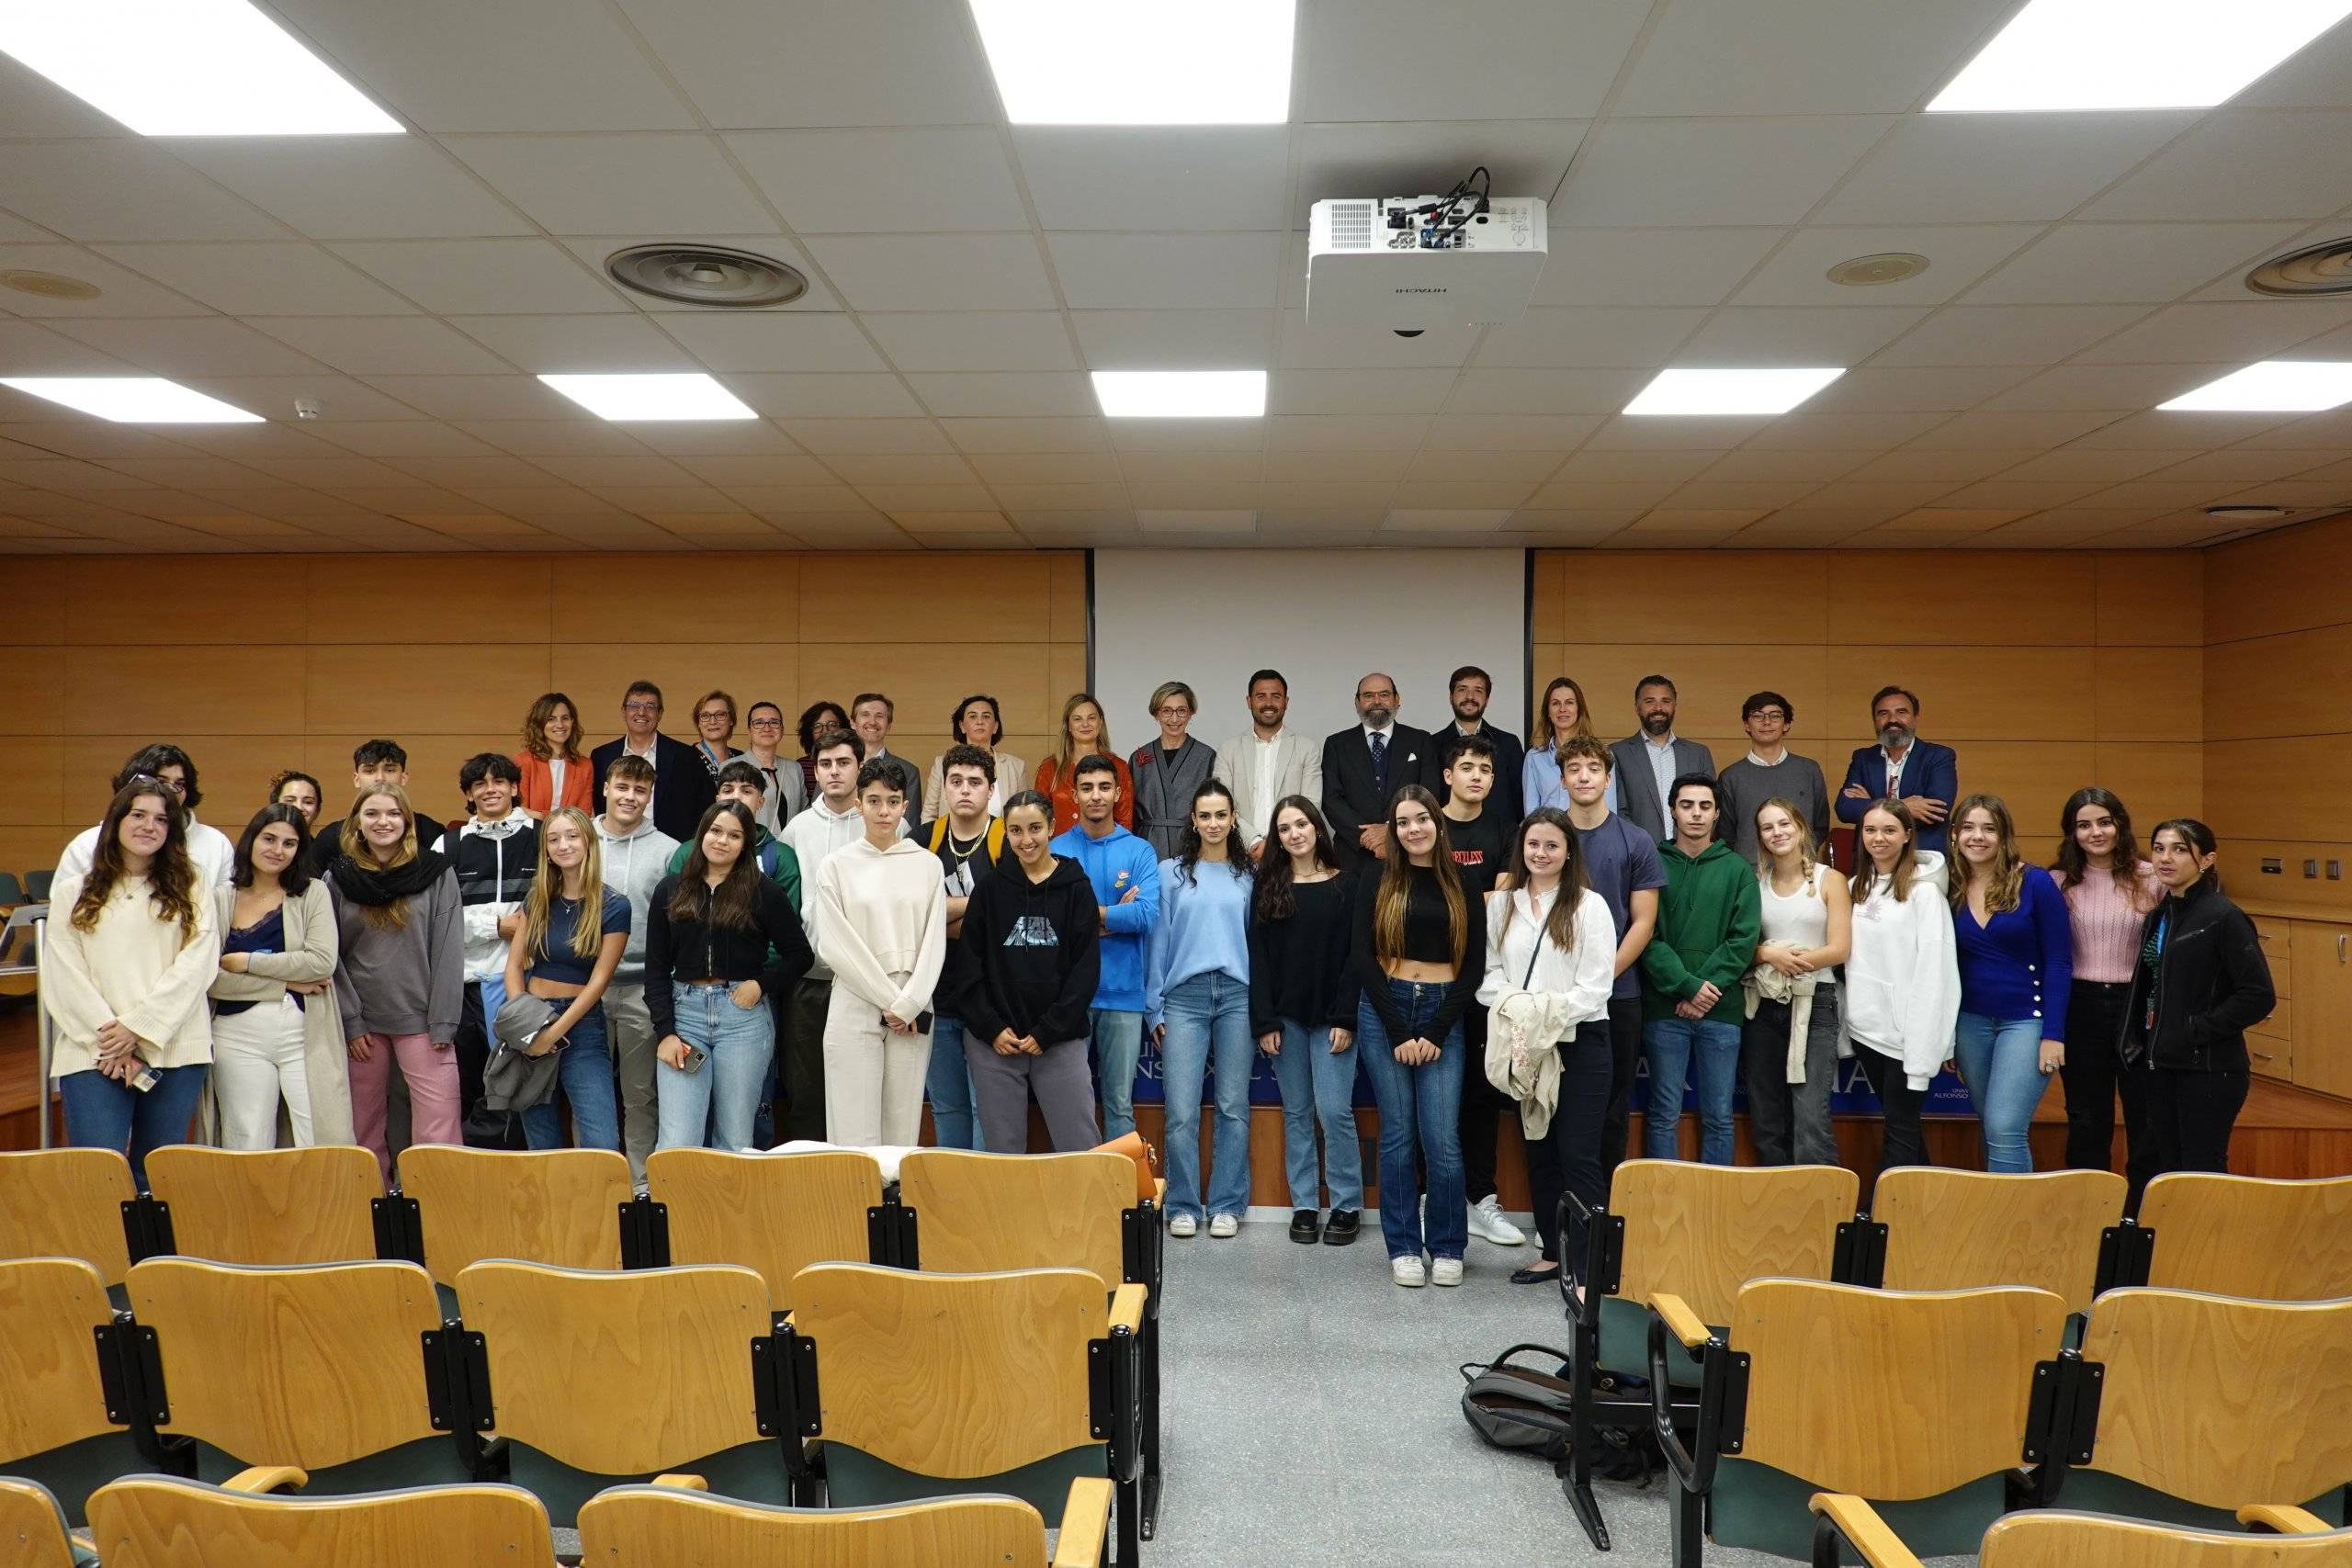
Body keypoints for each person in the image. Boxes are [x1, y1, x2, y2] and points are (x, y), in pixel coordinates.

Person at [43, 778, 220, 1188]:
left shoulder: (192, 885)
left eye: (161, 819)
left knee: (156, 1178)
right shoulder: (74, 891)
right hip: (93, 1051)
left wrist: (137, 1029)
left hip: (174, 1049)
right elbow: (64, 972)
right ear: (115, 821)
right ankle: (99, 1255)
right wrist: (110, 1039)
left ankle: (155, 1255)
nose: (149, 826)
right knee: (97, 1173)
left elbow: (197, 965)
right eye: (138, 815)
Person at [1353, 785, 1485, 1288]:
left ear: (1437, 823)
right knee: (1398, 1137)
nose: (1413, 829)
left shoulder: (1463, 881)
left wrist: (1432, 1030)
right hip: (1385, 1009)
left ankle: (1448, 1245)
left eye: (1422, 819)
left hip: (1442, 1014)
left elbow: (1472, 967)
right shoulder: (1377, 876)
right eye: (1403, 821)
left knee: (1442, 1139)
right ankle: (1405, 1246)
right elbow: (1362, 958)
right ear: (1393, 829)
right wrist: (1397, 1029)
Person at [1478, 807, 1615, 1287]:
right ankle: (1553, 1252)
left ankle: (1588, 1266)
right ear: (1522, 849)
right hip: (1525, 1044)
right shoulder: (1501, 905)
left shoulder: (1589, 906)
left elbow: (1596, 988)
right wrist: (1523, 1012)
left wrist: (1539, 1013)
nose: (1541, 853)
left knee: (1578, 1154)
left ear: (1568, 852)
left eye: (1551, 845)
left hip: (1580, 1043)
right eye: (1533, 844)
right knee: (1539, 1150)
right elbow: (1490, 976)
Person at [1542, 739, 1663, 1258]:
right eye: (1575, 768)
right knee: (1546, 1115)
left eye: (1594, 768)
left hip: (1618, 996)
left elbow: (1643, 922)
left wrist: (1597, 980)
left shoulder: (1634, 839)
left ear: (1608, 778)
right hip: (1547, 1003)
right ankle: (1557, 1235)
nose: (1585, 776)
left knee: (1609, 1115)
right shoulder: (1544, 838)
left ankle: (1605, 1232)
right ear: (1562, 778)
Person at [647, 801, 812, 1152]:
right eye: (716, 831)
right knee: (678, 1140)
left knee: (735, 1138)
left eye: (734, 835)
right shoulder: (671, 889)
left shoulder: (764, 891)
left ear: (746, 844)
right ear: (702, 834)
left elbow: (800, 955)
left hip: (743, 1021)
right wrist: (665, 1032)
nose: (722, 841)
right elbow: (656, 968)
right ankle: (677, 1208)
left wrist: (761, 984)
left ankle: (728, 1210)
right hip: (685, 1018)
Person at [946, 789, 1103, 1154]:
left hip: (1059, 1039)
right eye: (1016, 831)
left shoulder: (1077, 889)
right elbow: (968, 967)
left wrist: (1049, 1030)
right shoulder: (989, 890)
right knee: (1003, 1151)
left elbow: (1085, 971)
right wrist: (990, 1028)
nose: (1026, 839)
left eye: (1035, 828)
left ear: (1052, 827)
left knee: (1079, 1146)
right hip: (995, 1044)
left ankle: (1080, 1214)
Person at [2121, 819, 2275, 1187]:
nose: (2166, 858)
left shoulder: (2223, 916)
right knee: (2165, 1168)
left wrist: (2193, 1030)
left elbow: (2258, 995)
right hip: (2161, 1065)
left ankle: (2211, 1246)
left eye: (2179, 849)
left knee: (2200, 1172)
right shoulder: (2160, 915)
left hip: (2207, 1068)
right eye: (2159, 848)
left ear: (2206, 860)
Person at [326, 784, 463, 1184]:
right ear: (357, 823)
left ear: (407, 821)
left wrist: (443, 1020)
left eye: (392, 813)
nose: (382, 822)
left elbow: (449, 950)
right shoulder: (339, 877)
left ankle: (437, 1208)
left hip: (424, 1022)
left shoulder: (436, 873)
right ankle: (372, 1208)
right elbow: (329, 955)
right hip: (362, 1027)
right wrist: (350, 1021)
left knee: (439, 1128)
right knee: (362, 1127)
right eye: (371, 814)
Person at [811, 758, 947, 1147]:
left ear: (905, 806)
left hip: (914, 998)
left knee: (901, 1125)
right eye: (874, 801)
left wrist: (909, 1004)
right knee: (852, 1124)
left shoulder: (927, 865)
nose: (883, 811)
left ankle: (895, 1206)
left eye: (892, 801)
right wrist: (893, 1004)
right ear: (859, 804)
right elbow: (835, 945)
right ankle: (854, 1208)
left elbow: (933, 943)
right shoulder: (836, 866)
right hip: (856, 997)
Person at [1143, 779, 1254, 1239]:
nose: (1213, 823)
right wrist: (1156, 1008)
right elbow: (1159, 943)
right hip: (1184, 999)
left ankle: (1227, 1204)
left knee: (1232, 1106)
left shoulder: (1248, 876)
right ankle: (1184, 1205)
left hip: (1238, 997)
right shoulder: (1171, 874)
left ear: (1233, 820)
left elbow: (1257, 946)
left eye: (1221, 815)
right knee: (1182, 1111)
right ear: (1193, 820)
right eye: (1204, 815)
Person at [1250, 796, 1362, 1247]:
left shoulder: (1347, 885)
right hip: (1285, 1020)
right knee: (1297, 1113)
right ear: (1277, 839)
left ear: (1317, 827)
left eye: (1302, 824)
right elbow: (1258, 958)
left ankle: (1347, 1204)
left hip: (1333, 1019)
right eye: (1284, 828)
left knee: (1334, 1112)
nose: (1295, 833)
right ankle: (1305, 1205)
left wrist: (1345, 1016)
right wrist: (1265, 1021)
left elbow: (1357, 958)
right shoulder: (1269, 886)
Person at [778, 728, 899, 1142]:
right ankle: (812, 1182)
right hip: (811, 979)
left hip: (870, 984)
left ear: (860, 767)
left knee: (865, 1089)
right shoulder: (796, 829)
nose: (834, 772)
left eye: (843, 763)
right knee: (807, 1088)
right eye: (825, 764)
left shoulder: (882, 826)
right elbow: (788, 905)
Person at [208, 805, 352, 1151]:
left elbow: (319, 963)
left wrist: (247, 961)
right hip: (235, 1035)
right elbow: (210, 978)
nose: (277, 850)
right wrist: (285, 981)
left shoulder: (312, 892)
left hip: (304, 1031)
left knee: (320, 1137)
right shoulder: (220, 898)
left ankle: (321, 1208)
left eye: (289, 843)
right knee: (247, 1139)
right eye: (269, 839)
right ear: (251, 840)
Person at [1639, 774, 1759, 1167]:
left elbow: (1743, 940)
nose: (1695, 814)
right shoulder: (1651, 863)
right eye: (1687, 805)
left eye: (1704, 806)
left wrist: (1703, 991)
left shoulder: (1739, 870)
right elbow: (1646, 935)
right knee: (1662, 1113)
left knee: (1720, 1117)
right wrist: (1687, 986)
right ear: (1673, 810)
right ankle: (1664, 1202)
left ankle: (1713, 1209)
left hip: (1721, 1011)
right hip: (1664, 1008)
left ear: (1717, 813)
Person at [1949, 793, 2072, 1174]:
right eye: (1968, 828)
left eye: (1989, 828)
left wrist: (2054, 1034)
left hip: (2026, 1022)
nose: (1977, 837)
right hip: (1970, 1022)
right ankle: (1997, 1219)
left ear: (2004, 836)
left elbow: (2059, 962)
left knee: (2005, 1127)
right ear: (1953, 835)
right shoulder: (1948, 886)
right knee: (1990, 1125)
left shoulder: (2035, 883)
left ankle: (2015, 1230)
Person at [1438, 734, 1524, 1249]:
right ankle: (1434, 1198)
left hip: (1488, 980)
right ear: (1447, 775)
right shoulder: (1428, 822)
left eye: (1485, 770)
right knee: (1432, 1093)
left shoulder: (1504, 829)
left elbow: (1503, 901)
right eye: (1466, 767)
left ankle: (1481, 1200)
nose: (1476, 776)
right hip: (1431, 978)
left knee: (1482, 1092)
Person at [2053, 787, 2164, 1193]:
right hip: (2079, 1008)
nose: (2095, 832)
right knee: (2086, 1118)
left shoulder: (2152, 878)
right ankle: (2089, 1208)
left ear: (2120, 825)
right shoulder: (2057, 882)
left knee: (2145, 1116)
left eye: (2104, 822)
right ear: (2072, 832)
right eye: (2084, 825)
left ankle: (2142, 1211)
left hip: (2136, 1008)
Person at [503, 807, 628, 1151]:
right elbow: (514, 967)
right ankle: (551, 1207)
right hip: (532, 1017)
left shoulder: (614, 905)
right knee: (541, 1140)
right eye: (554, 838)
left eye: (572, 836)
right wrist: (527, 1026)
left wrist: (553, 1033)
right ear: (545, 848)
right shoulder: (537, 898)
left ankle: (599, 1206)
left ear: (588, 841)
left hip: (582, 1026)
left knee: (601, 1138)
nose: (563, 845)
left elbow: (599, 982)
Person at [1843, 799, 1958, 1175]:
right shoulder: (1855, 887)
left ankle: (1888, 1221)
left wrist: (1925, 1048)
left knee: (1900, 1128)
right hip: (1866, 1031)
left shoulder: (1926, 895)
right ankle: (1925, 1210)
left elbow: (1935, 976)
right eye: (1871, 830)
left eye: (1889, 830)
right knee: (1901, 1125)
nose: (1879, 838)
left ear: (1908, 835)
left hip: (1908, 1038)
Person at [1050, 753, 1160, 1140]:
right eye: (1086, 788)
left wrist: (1085, 916)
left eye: (1103, 787)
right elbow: (1051, 923)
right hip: (1068, 997)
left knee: (1119, 1104)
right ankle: (1074, 1196)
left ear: (1118, 793)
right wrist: (1114, 915)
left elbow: (1146, 916)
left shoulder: (1140, 851)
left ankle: (1117, 1200)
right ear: (1073, 795)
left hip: (1124, 995)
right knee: (1069, 1105)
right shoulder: (1055, 850)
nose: (1095, 796)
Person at [1739, 799, 1851, 1167]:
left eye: (1784, 823)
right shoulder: (1754, 884)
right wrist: (1769, 955)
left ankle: (1822, 1211)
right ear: (1760, 837)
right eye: (1768, 827)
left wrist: (1793, 961)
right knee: (1766, 1114)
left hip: (1814, 1002)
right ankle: (1776, 1208)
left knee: (1809, 1116)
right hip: (1763, 1004)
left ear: (1800, 827)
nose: (1778, 832)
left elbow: (1839, 949)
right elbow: (1743, 948)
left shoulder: (1829, 880)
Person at [594, 753, 677, 1184]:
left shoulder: (668, 851)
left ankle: (641, 1180)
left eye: (639, 790)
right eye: (622, 787)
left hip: (642, 988)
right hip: (583, 987)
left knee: (640, 1093)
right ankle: (596, 1176)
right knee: (589, 1093)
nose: (629, 797)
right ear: (606, 788)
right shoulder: (578, 839)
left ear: (649, 797)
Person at [448, 753, 537, 1145]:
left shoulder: (542, 835)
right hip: (465, 985)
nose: (490, 790)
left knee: (518, 1086)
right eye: (479, 784)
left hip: (526, 984)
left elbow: (557, 904)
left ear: (515, 788)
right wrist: (496, 926)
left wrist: (523, 932)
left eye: (499, 781)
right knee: (469, 1084)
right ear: (469, 793)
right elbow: (440, 920)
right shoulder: (448, 843)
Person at [922, 745, 1003, 1149]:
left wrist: (940, 913)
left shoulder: (1008, 838)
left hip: (991, 999)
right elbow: (912, 918)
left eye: (975, 782)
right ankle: (950, 1202)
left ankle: (983, 1204)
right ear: (945, 788)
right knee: (946, 1106)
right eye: (956, 781)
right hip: (934, 996)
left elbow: (1007, 919)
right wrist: (978, 908)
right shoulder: (923, 839)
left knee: (984, 1107)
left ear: (991, 789)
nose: (965, 790)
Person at [57, 745, 235, 889]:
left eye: (179, 784)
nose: (170, 791)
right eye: (161, 781)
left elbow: (223, 913)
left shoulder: (215, 843)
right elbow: (63, 912)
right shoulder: (87, 844)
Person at [1322, 671, 1435, 871]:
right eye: (1368, 695)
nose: (1377, 701)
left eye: (1384, 695)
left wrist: (1391, 830)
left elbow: (1430, 794)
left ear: (1397, 699)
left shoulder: (1421, 741)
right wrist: (1368, 838)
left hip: (1409, 852)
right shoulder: (1336, 744)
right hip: (1353, 856)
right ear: (1357, 702)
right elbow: (1331, 800)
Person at [1212, 668, 1322, 862]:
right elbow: (1222, 805)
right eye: (1261, 696)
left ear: (1286, 702)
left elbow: (1311, 805)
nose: (1268, 703)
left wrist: (1277, 843)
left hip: (1292, 853)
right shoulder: (1228, 750)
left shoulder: (1307, 748)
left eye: (1276, 696)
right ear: (1249, 701)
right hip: (1242, 854)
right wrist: (1253, 841)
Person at [591, 681, 718, 844]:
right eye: (634, 705)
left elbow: (704, 808)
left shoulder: (685, 756)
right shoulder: (602, 756)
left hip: (669, 850)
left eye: (650, 706)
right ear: (624, 711)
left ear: (660, 713)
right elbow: (601, 805)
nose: (641, 712)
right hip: (616, 845)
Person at [1837, 685, 1959, 855]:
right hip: (1872, 858)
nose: (1892, 719)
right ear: (1875, 720)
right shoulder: (1863, 758)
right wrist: (1903, 806)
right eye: (1883, 713)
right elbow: (1845, 808)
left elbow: (1935, 812)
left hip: (1923, 857)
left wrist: (1872, 805)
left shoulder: (1938, 756)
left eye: (1901, 712)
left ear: (1916, 718)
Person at [1715, 692, 1831, 865]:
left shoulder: (1809, 769)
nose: (1767, 722)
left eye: (1775, 716)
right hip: (1750, 875)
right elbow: (1725, 835)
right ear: (1747, 725)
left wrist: (1802, 856)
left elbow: (1820, 825)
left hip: (1800, 872)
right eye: (1757, 716)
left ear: (1787, 724)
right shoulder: (1730, 777)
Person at [664, 760, 802, 903]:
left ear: (760, 802)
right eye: (728, 790)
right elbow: (672, 908)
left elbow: (786, 919)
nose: (736, 797)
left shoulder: (781, 856)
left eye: (747, 791)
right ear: (718, 799)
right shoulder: (688, 851)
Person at [1608, 676, 1714, 844]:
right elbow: (1617, 811)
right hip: (1639, 857)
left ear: (1674, 706)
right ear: (1637, 707)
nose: (1658, 708)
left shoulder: (1698, 754)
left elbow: (1710, 808)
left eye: (1666, 701)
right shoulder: (1616, 753)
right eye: (1650, 701)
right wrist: (1640, 850)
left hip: (1692, 857)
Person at [310, 740, 446, 870]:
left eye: (390, 770)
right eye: (369, 771)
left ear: (404, 778)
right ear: (356, 779)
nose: (380, 778)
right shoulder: (331, 837)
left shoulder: (432, 832)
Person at [1130, 681, 1216, 862]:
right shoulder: (1139, 757)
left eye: (1181, 710)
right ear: (1156, 714)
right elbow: (1130, 812)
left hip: (1193, 846)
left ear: (1191, 713)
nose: (1174, 719)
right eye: (1166, 711)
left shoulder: (1206, 756)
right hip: (1147, 847)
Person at [1431, 665, 1525, 828]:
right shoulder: (1433, 744)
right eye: (1462, 689)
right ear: (1451, 697)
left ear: (1487, 700)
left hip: (1499, 840)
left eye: (1478, 690)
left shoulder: (1508, 743)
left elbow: (1519, 799)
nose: (1470, 696)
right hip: (1448, 838)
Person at [1038, 693, 1134, 834]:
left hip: (1105, 851)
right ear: (1068, 725)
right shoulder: (1049, 768)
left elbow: (1125, 821)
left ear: (1100, 722)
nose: (1085, 724)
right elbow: (1039, 818)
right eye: (1077, 719)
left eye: (1091, 718)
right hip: (1059, 852)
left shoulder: (1119, 767)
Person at [923, 694, 1026, 823]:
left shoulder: (1015, 766)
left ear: (995, 727)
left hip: (1001, 841)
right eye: (972, 716)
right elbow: (929, 813)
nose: (979, 722)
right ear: (962, 726)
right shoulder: (941, 764)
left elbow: (1022, 816)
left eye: (986, 716)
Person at [1521, 677, 1618, 815]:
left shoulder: (1602, 755)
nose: (1562, 709)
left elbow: (1609, 810)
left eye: (1569, 703)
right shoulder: (1534, 758)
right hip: (1548, 835)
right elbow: (1531, 814)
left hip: (1589, 835)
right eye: (1555, 703)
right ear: (1548, 712)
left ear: (1579, 709)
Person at [515, 692, 593, 818]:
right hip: (532, 835)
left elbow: (584, 815)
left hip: (571, 834)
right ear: (540, 723)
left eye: (565, 718)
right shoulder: (524, 761)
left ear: (572, 722)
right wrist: (553, 818)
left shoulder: (585, 765)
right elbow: (519, 812)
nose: (560, 725)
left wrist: (540, 815)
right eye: (551, 719)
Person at [849, 692, 923, 822]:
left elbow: (910, 825)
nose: (872, 722)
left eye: (879, 716)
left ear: (888, 725)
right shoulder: (835, 766)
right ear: (853, 722)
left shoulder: (909, 772)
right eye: (865, 715)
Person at [740, 700, 808, 833]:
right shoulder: (732, 767)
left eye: (774, 722)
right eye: (759, 723)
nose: (767, 728)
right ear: (749, 731)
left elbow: (803, 813)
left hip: (790, 849)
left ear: (782, 730)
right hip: (751, 848)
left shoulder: (794, 768)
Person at [796, 700, 850, 804]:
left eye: (832, 724)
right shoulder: (800, 767)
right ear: (809, 732)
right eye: (817, 726)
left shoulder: (852, 762)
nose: (825, 731)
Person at [689, 690, 741, 782]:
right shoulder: (684, 760)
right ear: (698, 723)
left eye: (720, 715)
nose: (712, 721)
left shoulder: (741, 758)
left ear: (731, 720)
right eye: (705, 716)